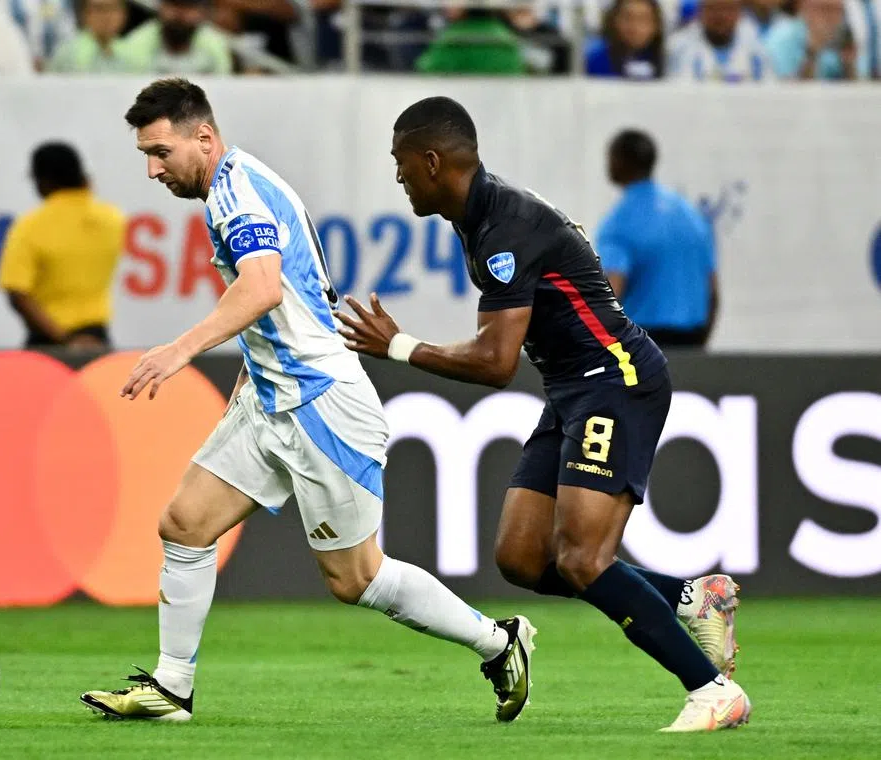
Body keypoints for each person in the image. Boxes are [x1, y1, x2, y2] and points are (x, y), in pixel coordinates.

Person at [78, 77, 535, 724]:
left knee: (357, 580)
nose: (153, 169)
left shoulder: (237, 193)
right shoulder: (240, 186)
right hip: (272, 398)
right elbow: (299, 299)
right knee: (183, 524)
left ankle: (499, 641)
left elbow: (263, 288)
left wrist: (180, 350)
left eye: (161, 152)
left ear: (202, 138)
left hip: (323, 406)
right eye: (146, 156)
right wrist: (253, 372)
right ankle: (171, 687)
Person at [335, 96, 751, 733]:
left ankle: (712, 690)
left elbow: (496, 362)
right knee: (523, 557)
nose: (397, 176)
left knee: (584, 557)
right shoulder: (480, 218)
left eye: (400, 162)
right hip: (570, 389)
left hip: (616, 379)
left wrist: (398, 345)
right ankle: (691, 596)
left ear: (432, 160)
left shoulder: (505, 226)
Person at [0, 142, 126, 350]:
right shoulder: (112, 219)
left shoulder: (30, 226)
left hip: (47, 342)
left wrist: (66, 341)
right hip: (97, 340)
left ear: (42, 181)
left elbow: (17, 294)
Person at [598, 130, 718, 348]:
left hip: (644, 344)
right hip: (693, 339)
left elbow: (612, 293)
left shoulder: (619, 221)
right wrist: (701, 344)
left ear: (619, 161)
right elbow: (713, 291)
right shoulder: (690, 215)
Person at [667, 0, 774, 80]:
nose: (721, 16)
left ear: (739, 13)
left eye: (728, 9)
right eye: (713, 9)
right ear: (700, 12)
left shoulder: (756, 50)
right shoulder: (678, 47)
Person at [119, 0, 232, 75]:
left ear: (201, 12)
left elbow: (222, 82)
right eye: (174, 5)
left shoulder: (215, 43)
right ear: (161, 8)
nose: (180, 14)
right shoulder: (137, 42)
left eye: (188, 7)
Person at [586, 0, 666, 79]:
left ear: (656, 25)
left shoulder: (666, 59)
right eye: (628, 18)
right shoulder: (595, 59)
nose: (635, 27)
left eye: (643, 19)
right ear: (614, 21)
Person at [47, 0, 133, 73]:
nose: (106, 16)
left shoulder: (135, 52)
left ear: (124, 14)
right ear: (84, 13)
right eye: (99, 8)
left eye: (112, 8)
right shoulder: (67, 53)